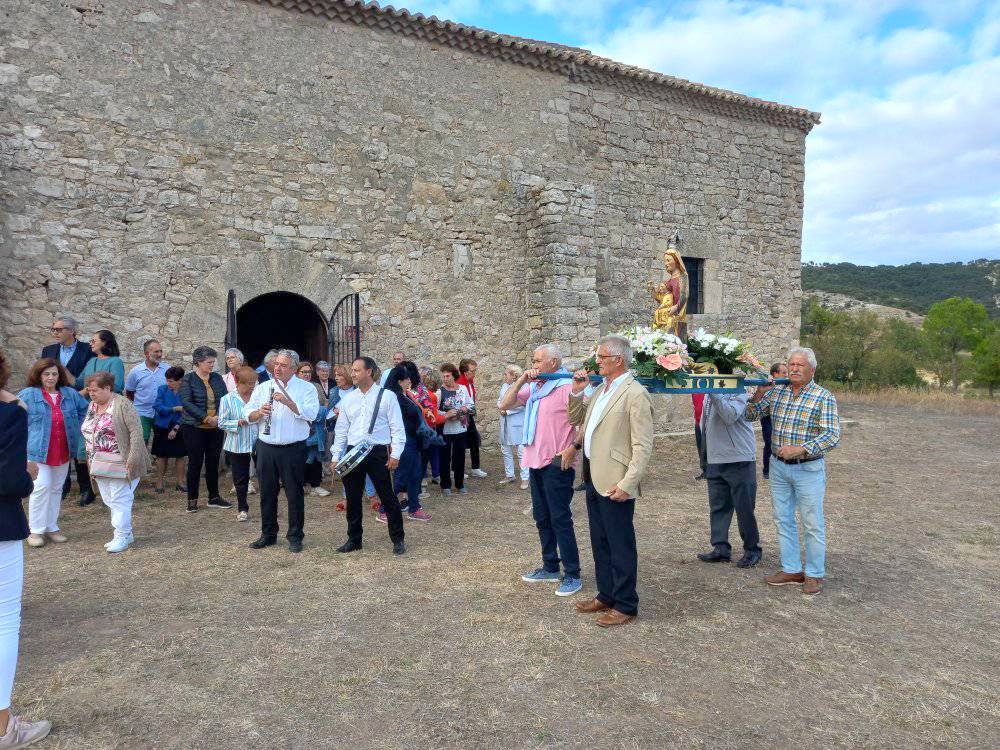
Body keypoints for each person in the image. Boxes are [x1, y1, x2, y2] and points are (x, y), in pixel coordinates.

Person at [566, 335, 654, 626]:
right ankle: (606, 594)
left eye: (602, 357)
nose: (597, 361)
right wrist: (577, 393)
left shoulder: (635, 393)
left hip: (616, 479)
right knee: (600, 539)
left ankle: (626, 603)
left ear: (618, 359)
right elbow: (578, 421)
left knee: (620, 542)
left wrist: (628, 483)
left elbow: (643, 445)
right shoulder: (601, 390)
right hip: (593, 474)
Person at [745, 347, 840, 595]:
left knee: (812, 522)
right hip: (778, 468)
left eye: (800, 365)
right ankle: (791, 569)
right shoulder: (778, 392)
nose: (795, 369)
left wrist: (801, 449)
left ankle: (815, 574)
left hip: (808, 468)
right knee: (783, 518)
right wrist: (758, 394)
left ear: (812, 369)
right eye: (792, 364)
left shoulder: (823, 396)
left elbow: (831, 435)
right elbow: (749, 415)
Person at [498, 344, 582, 597]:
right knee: (542, 517)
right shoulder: (536, 387)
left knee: (560, 519)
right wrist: (523, 378)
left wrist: (572, 449)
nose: (533, 365)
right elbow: (505, 403)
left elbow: (583, 422)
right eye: (533, 361)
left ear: (554, 363)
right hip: (534, 460)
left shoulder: (568, 387)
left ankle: (573, 574)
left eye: (537, 361)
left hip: (557, 463)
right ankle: (550, 566)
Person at [0, 349, 53, 747]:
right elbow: (8, 482)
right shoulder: (10, 414)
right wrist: (28, 474)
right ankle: (3, 726)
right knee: (4, 623)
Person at [245, 349, 319, 553]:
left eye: (283, 365)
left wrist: (287, 402)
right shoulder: (263, 387)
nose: (277, 368)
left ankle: (295, 536)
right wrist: (258, 412)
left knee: (294, 494)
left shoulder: (306, 388)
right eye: (276, 364)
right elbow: (247, 411)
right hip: (266, 446)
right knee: (267, 493)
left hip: (293, 448)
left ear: (294, 368)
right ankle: (268, 534)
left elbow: (312, 414)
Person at [331, 357, 406, 555]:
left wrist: (396, 454)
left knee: (387, 496)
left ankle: (398, 539)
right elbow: (341, 430)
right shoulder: (348, 399)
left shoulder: (387, 396)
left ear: (369, 372)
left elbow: (397, 428)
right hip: (353, 452)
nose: (353, 374)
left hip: (377, 452)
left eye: (356, 370)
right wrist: (335, 456)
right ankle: (354, 539)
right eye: (352, 370)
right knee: (353, 498)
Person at [18, 359, 89, 548]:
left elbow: (85, 411)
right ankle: (36, 530)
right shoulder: (28, 394)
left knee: (57, 488)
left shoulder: (69, 394)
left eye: (54, 374)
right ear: (39, 376)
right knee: (41, 487)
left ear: (60, 376)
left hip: (64, 448)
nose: (51, 377)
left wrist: (79, 430)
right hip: (37, 450)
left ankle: (52, 527)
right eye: (46, 374)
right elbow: (15, 417)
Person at [81, 371, 151, 552]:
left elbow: (136, 432)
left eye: (95, 390)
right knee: (109, 499)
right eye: (89, 390)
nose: (91, 393)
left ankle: (120, 536)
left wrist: (133, 458)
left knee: (120, 499)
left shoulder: (122, 404)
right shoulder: (92, 406)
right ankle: (126, 533)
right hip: (99, 462)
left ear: (107, 388)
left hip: (122, 460)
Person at [695, 388, 762, 568]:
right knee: (718, 506)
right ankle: (720, 548)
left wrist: (712, 390)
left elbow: (729, 415)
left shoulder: (737, 389)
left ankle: (752, 549)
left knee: (744, 508)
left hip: (739, 457)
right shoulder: (708, 392)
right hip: (715, 458)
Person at [41, 315, 95, 509]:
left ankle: (86, 489)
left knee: (79, 445)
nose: (54, 332)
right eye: (53, 329)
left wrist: (78, 397)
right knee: (59, 443)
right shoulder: (48, 351)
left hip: (79, 403)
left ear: (71, 331)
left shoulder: (87, 351)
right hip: (55, 403)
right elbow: (43, 376)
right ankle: (62, 487)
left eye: (58, 329)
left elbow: (90, 380)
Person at [179, 347, 229, 513]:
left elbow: (225, 398)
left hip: (215, 428)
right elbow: (187, 402)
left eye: (213, 362)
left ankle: (214, 497)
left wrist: (219, 418)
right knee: (195, 463)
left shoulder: (216, 378)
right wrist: (206, 418)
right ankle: (192, 500)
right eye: (209, 362)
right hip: (194, 427)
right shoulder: (188, 380)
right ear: (198, 362)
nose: (212, 366)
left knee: (213, 462)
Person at [382, 364, 431, 522]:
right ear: (399, 381)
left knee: (415, 475)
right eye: (406, 378)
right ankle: (384, 509)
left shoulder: (407, 396)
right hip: (404, 441)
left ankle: (414, 507)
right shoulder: (395, 398)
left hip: (414, 440)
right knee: (401, 477)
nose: (410, 380)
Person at [328, 364, 376, 512]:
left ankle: (372, 495)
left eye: (340, 375)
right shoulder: (334, 391)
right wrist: (334, 415)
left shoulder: (359, 391)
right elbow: (329, 413)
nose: (336, 378)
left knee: (366, 465)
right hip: (342, 433)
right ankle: (346, 497)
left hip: (359, 435)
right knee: (345, 466)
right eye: (335, 375)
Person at [218, 366, 259, 522]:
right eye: (250, 383)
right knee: (240, 478)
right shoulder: (227, 399)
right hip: (237, 443)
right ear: (239, 382)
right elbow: (221, 422)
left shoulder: (257, 396)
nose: (253, 386)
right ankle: (242, 508)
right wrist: (236, 423)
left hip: (257, 441)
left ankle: (268, 507)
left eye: (254, 382)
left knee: (265, 474)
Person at [437, 363, 474, 496]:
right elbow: (435, 411)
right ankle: (445, 485)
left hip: (460, 428)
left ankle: (459, 484)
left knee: (460, 457)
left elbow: (471, 405)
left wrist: (464, 410)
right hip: (445, 429)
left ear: (454, 376)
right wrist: (446, 415)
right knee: (445, 458)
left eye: (448, 376)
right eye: (443, 376)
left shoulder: (463, 389)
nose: (445, 378)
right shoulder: (440, 391)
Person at [124, 339, 169, 444]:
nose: (160, 354)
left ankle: (155, 460)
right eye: (156, 352)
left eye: (160, 351)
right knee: (141, 443)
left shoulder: (167, 369)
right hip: (142, 413)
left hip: (162, 413)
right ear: (146, 353)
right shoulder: (136, 371)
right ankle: (141, 461)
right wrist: (141, 403)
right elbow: (130, 392)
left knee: (161, 444)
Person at [151, 366, 187, 494]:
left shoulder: (186, 392)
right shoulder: (162, 389)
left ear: (180, 380)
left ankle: (181, 482)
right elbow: (157, 406)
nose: (168, 383)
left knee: (180, 455)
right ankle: (159, 481)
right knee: (161, 456)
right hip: (162, 425)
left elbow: (187, 411)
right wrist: (173, 409)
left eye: (171, 381)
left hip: (179, 426)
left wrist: (176, 428)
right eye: (167, 380)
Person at [295, 361, 329, 497]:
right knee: (300, 457)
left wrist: (317, 412)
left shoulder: (316, 386)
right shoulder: (294, 388)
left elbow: (324, 404)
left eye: (309, 372)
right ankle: (301, 484)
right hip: (300, 427)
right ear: (297, 373)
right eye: (303, 372)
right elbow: (296, 408)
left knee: (315, 458)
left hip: (316, 428)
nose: (307, 374)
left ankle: (315, 485)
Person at [497, 364, 529, 490]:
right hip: (504, 421)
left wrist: (507, 411)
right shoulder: (505, 386)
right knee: (505, 448)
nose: (504, 376)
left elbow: (522, 404)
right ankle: (509, 475)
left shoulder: (524, 386)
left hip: (517, 422)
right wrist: (501, 407)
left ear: (514, 375)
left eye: (506, 374)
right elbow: (500, 400)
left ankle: (525, 478)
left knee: (521, 450)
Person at [458, 358, 487, 478]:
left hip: (469, 416)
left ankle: (475, 468)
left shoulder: (470, 382)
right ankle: (458, 470)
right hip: (462, 417)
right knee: (460, 443)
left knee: (474, 440)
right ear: (465, 372)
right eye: (473, 371)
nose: (474, 373)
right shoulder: (460, 383)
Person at [75, 330, 125, 394]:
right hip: (89, 403)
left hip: (107, 403)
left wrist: (88, 390)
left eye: (93, 341)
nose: (90, 344)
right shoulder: (92, 361)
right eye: (90, 341)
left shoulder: (116, 362)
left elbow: (116, 387)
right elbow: (79, 383)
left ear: (104, 342)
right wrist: (63, 370)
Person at [761, 361, 788, 479]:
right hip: (767, 418)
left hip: (778, 417)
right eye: (784, 372)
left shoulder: (785, 386)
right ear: (775, 374)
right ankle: (767, 470)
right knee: (769, 442)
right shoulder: (769, 386)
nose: (786, 375)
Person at [416, 367, 442, 487]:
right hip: (429, 427)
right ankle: (432, 476)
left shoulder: (419, 393)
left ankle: (427, 476)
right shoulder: (432, 396)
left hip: (422, 427)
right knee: (430, 452)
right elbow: (435, 417)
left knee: (426, 452)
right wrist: (449, 415)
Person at [692, 393, 707, 480]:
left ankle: (713, 472)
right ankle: (705, 471)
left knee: (709, 447)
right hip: (698, 420)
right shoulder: (693, 384)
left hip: (708, 420)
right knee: (701, 447)